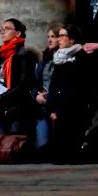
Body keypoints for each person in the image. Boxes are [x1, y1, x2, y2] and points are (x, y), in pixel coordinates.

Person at [0, 19, 38, 137]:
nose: (3, 32)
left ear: (18, 33)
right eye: (1, 29)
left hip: (17, 106)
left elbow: (24, 84)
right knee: (0, 146)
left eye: (7, 29)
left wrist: (0, 98)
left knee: (14, 144)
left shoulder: (24, 54)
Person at [46, 24, 91, 164]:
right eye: (58, 36)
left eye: (62, 36)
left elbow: (75, 88)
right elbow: (54, 85)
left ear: (72, 40)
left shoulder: (79, 57)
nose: (59, 39)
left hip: (72, 109)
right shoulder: (59, 57)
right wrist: (51, 108)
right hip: (58, 108)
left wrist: (59, 110)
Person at [32, 23, 61, 156]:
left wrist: (49, 98)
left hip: (56, 103)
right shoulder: (46, 58)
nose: (49, 40)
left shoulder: (65, 58)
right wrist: (36, 96)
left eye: (53, 37)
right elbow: (36, 81)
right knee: (41, 147)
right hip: (41, 104)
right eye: (48, 37)